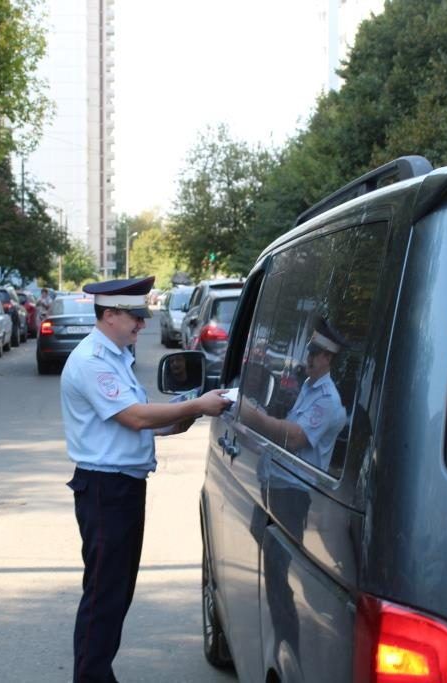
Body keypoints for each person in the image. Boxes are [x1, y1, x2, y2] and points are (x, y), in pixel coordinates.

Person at [60, 275, 231, 683]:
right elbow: (135, 416)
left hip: (120, 487)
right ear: (110, 314)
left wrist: (183, 416)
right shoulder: (93, 361)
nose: (142, 324)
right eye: (135, 316)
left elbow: (139, 419)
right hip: (105, 489)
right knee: (104, 596)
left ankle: (98, 673)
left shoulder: (116, 354)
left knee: (116, 594)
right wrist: (195, 405)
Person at [241, 316, 347, 471]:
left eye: (314, 354)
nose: (308, 358)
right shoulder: (309, 385)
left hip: (294, 488)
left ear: (328, 358)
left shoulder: (328, 399)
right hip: (279, 481)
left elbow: (294, 439)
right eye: (309, 352)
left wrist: (255, 417)